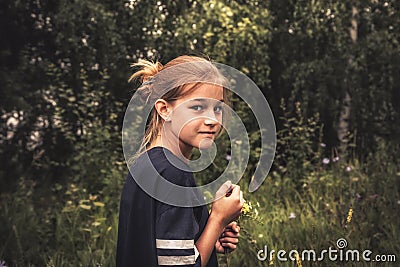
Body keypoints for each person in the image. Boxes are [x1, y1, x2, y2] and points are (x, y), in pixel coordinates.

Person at [117, 55, 244, 267]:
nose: (212, 120)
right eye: (197, 107)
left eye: (218, 108)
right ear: (165, 109)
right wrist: (217, 219)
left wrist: (209, 238)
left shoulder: (146, 166)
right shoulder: (173, 175)